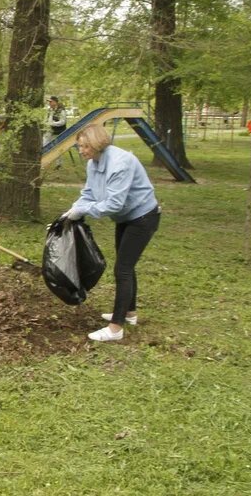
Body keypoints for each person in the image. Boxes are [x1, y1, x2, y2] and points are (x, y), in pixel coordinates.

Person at [62, 123, 161, 342]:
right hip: (126, 218)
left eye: (85, 146)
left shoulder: (119, 163)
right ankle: (129, 314)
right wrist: (73, 209)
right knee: (126, 265)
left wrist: (84, 210)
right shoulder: (93, 163)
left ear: (97, 144)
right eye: (79, 146)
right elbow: (89, 193)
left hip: (142, 217)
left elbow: (114, 204)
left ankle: (116, 329)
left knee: (122, 269)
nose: (81, 151)